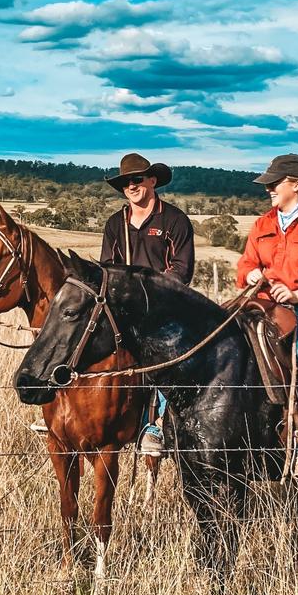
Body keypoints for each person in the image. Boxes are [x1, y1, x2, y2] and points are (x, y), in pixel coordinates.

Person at [236, 153, 298, 476]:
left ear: (295, 184)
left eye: (274, 183)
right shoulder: (262, 224)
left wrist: (295, 294)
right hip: (261, 304)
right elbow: (245, 264)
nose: (268, 189)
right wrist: (251, 275)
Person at [101, 152, 195, 455]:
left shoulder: (175, 220)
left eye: (137, 179)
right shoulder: (115, 224)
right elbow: (107, 268)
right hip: (123, 308)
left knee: (168, 356)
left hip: (165, 305)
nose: (132, 185)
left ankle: (155, 424)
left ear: (152, 180)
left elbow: (183, 268)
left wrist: (153, 291)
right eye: (126, 182)